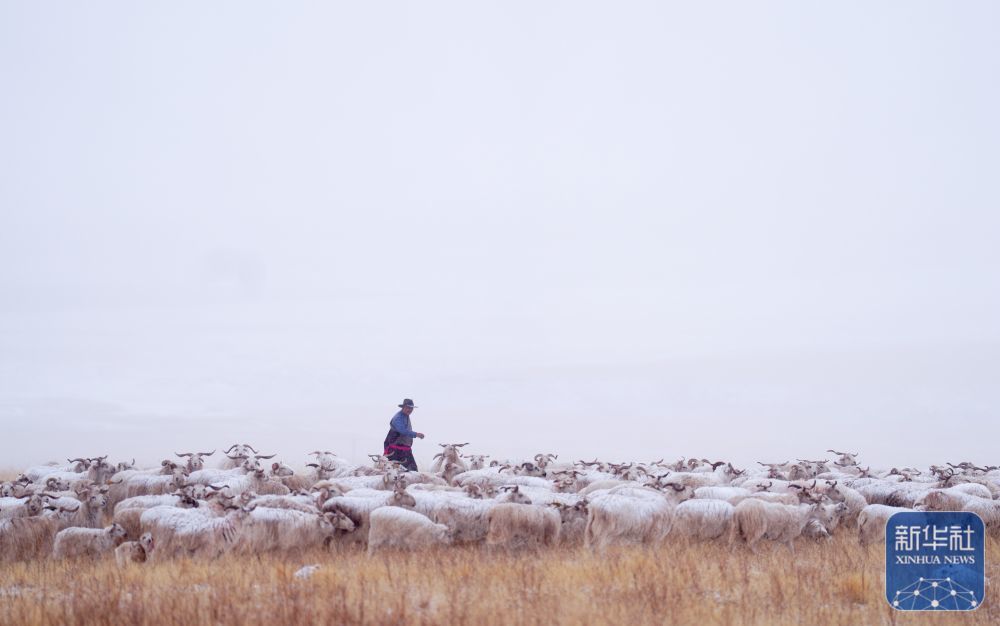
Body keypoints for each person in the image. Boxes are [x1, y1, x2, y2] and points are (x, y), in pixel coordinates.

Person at [382, 398, 424, 471]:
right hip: (395, 451)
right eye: (408, 408)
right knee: (394, 472)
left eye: (411, 408)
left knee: (412, 471)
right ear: (403, 407)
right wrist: (416, 434)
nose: (410, 410)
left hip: (405, 451)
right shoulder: (398, 418)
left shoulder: (406, 416)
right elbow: (403, 431)